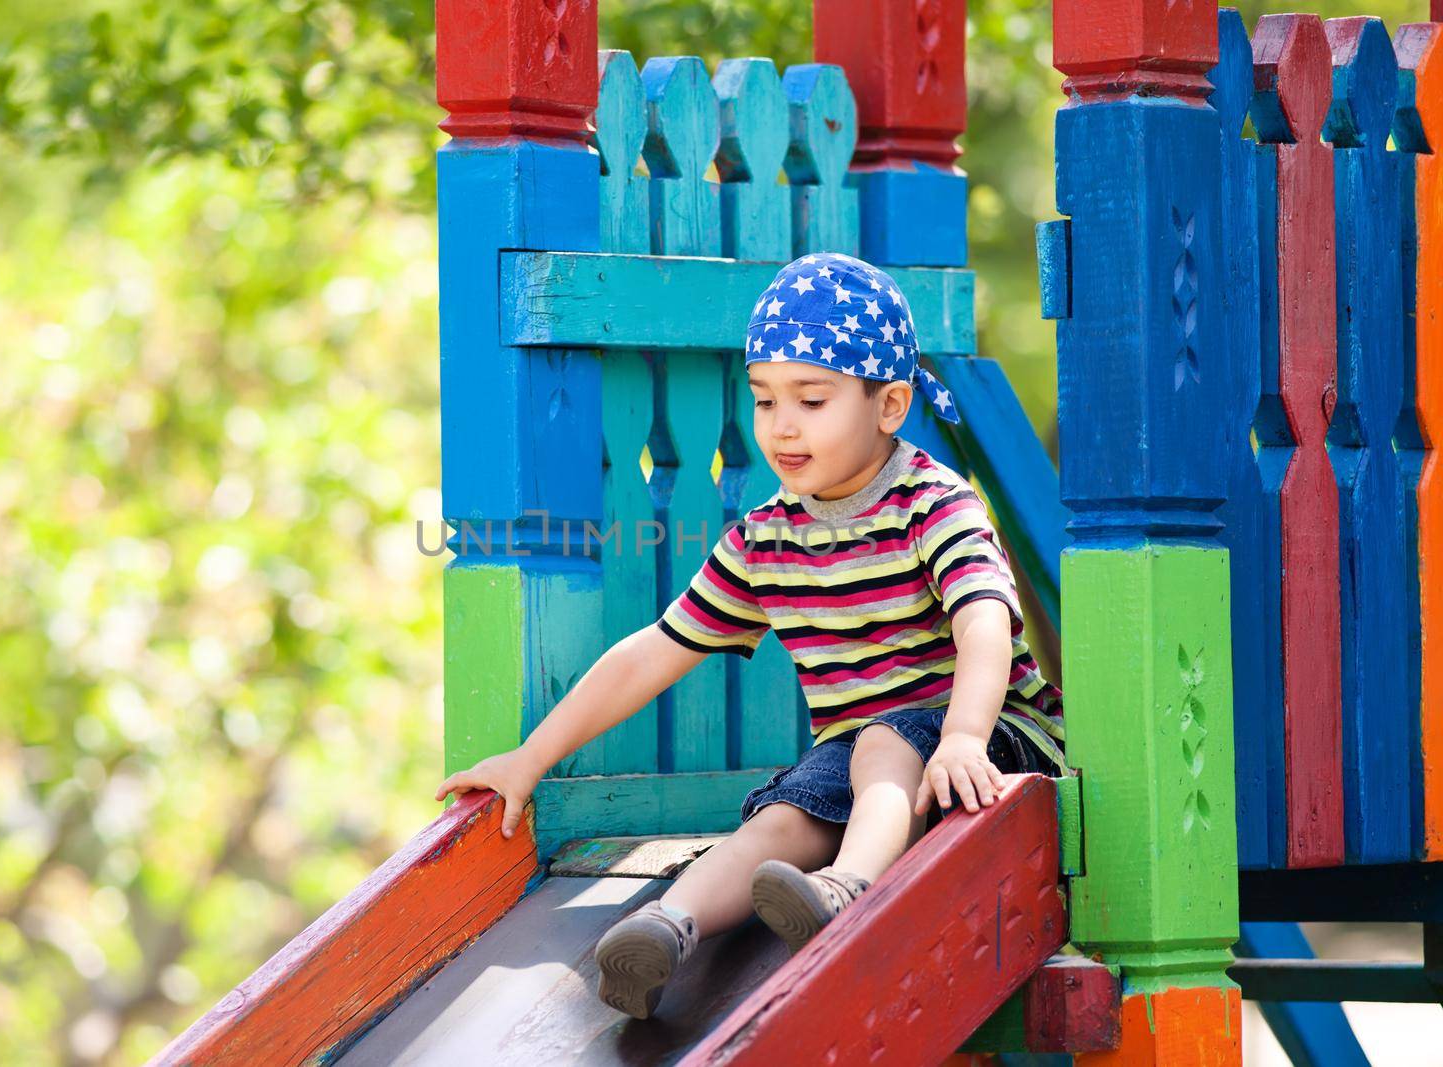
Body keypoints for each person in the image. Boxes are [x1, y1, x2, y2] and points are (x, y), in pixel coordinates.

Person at [432, 251, 1068, 1021]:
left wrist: (963, 736)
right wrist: (530, 758)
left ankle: (848, 889)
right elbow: (650, 654)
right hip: (869, 762)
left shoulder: (933, 502)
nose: (782, 425)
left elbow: (985, 627)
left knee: (877, 745)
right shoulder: (767, 537)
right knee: (786, 814)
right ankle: (668, 924)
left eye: (812, 399)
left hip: (994, 744)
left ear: (890, 404)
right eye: (765, 401)